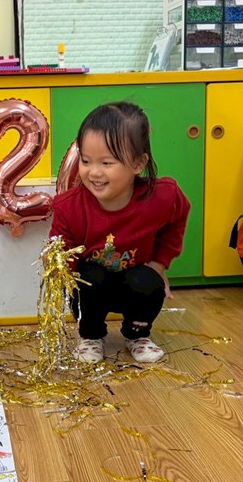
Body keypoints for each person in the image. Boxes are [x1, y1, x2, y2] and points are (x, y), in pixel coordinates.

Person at [50, 102, 190, 364]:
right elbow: (62, 251)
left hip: (134, 279)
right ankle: (91, 335)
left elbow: (179, 216)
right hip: (94, 283)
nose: (94, 172)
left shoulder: (162, 196)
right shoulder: (69, 207)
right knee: (87, 278)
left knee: (148, 282)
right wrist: (63, 276)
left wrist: (160, 263)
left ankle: (137, 335)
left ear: (138, 163)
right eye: (86, 161)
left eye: (106, 162)